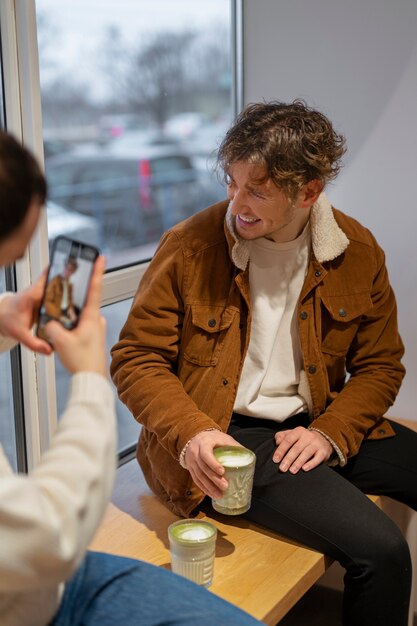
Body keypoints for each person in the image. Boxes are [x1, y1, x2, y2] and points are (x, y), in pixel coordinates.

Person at [111, 100, 417, 626]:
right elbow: (136, 359)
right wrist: (191, 436)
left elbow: (382, 364)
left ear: (309, 191)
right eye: (232, 182)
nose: (237, 202)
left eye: (257, 190)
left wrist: (330, 432)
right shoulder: (188, 246)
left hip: (316, 421)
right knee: (382, 552)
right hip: (227, 436)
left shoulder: (357, 250)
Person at [0, 131, 263, 626]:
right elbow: (47, 539)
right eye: (7, 262)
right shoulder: (189, 244)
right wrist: (88, 380)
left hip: (57, 581)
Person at [43, 256, 78, 325]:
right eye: (67, 268)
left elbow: (70, 300)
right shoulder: (54, 282)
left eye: (71, 270)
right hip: (54, 313)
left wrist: (71, 311)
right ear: (64, 267)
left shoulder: (69, 285)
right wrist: (60, 317)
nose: (68, 272)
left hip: (65, 312)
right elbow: (47, 303)